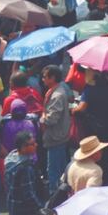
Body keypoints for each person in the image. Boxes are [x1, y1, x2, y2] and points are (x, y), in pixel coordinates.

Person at [39, 65, 72, 193]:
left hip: (55, 138)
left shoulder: (57, 95)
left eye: (45, 77)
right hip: (58, 136)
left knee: (54, 171)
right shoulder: (55, 91)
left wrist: (42, 118)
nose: (43, 79)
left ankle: (55, 197)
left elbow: (51, 119)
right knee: (61, 169)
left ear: (52, 78)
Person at [3, 131, 44, 215]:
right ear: (23, 147)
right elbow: (28, 194)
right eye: (32, 144)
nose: (36, 145)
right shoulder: (25, 168)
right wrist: (40, 207)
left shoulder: (11, 159)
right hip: (24, 210)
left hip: (13, 206)